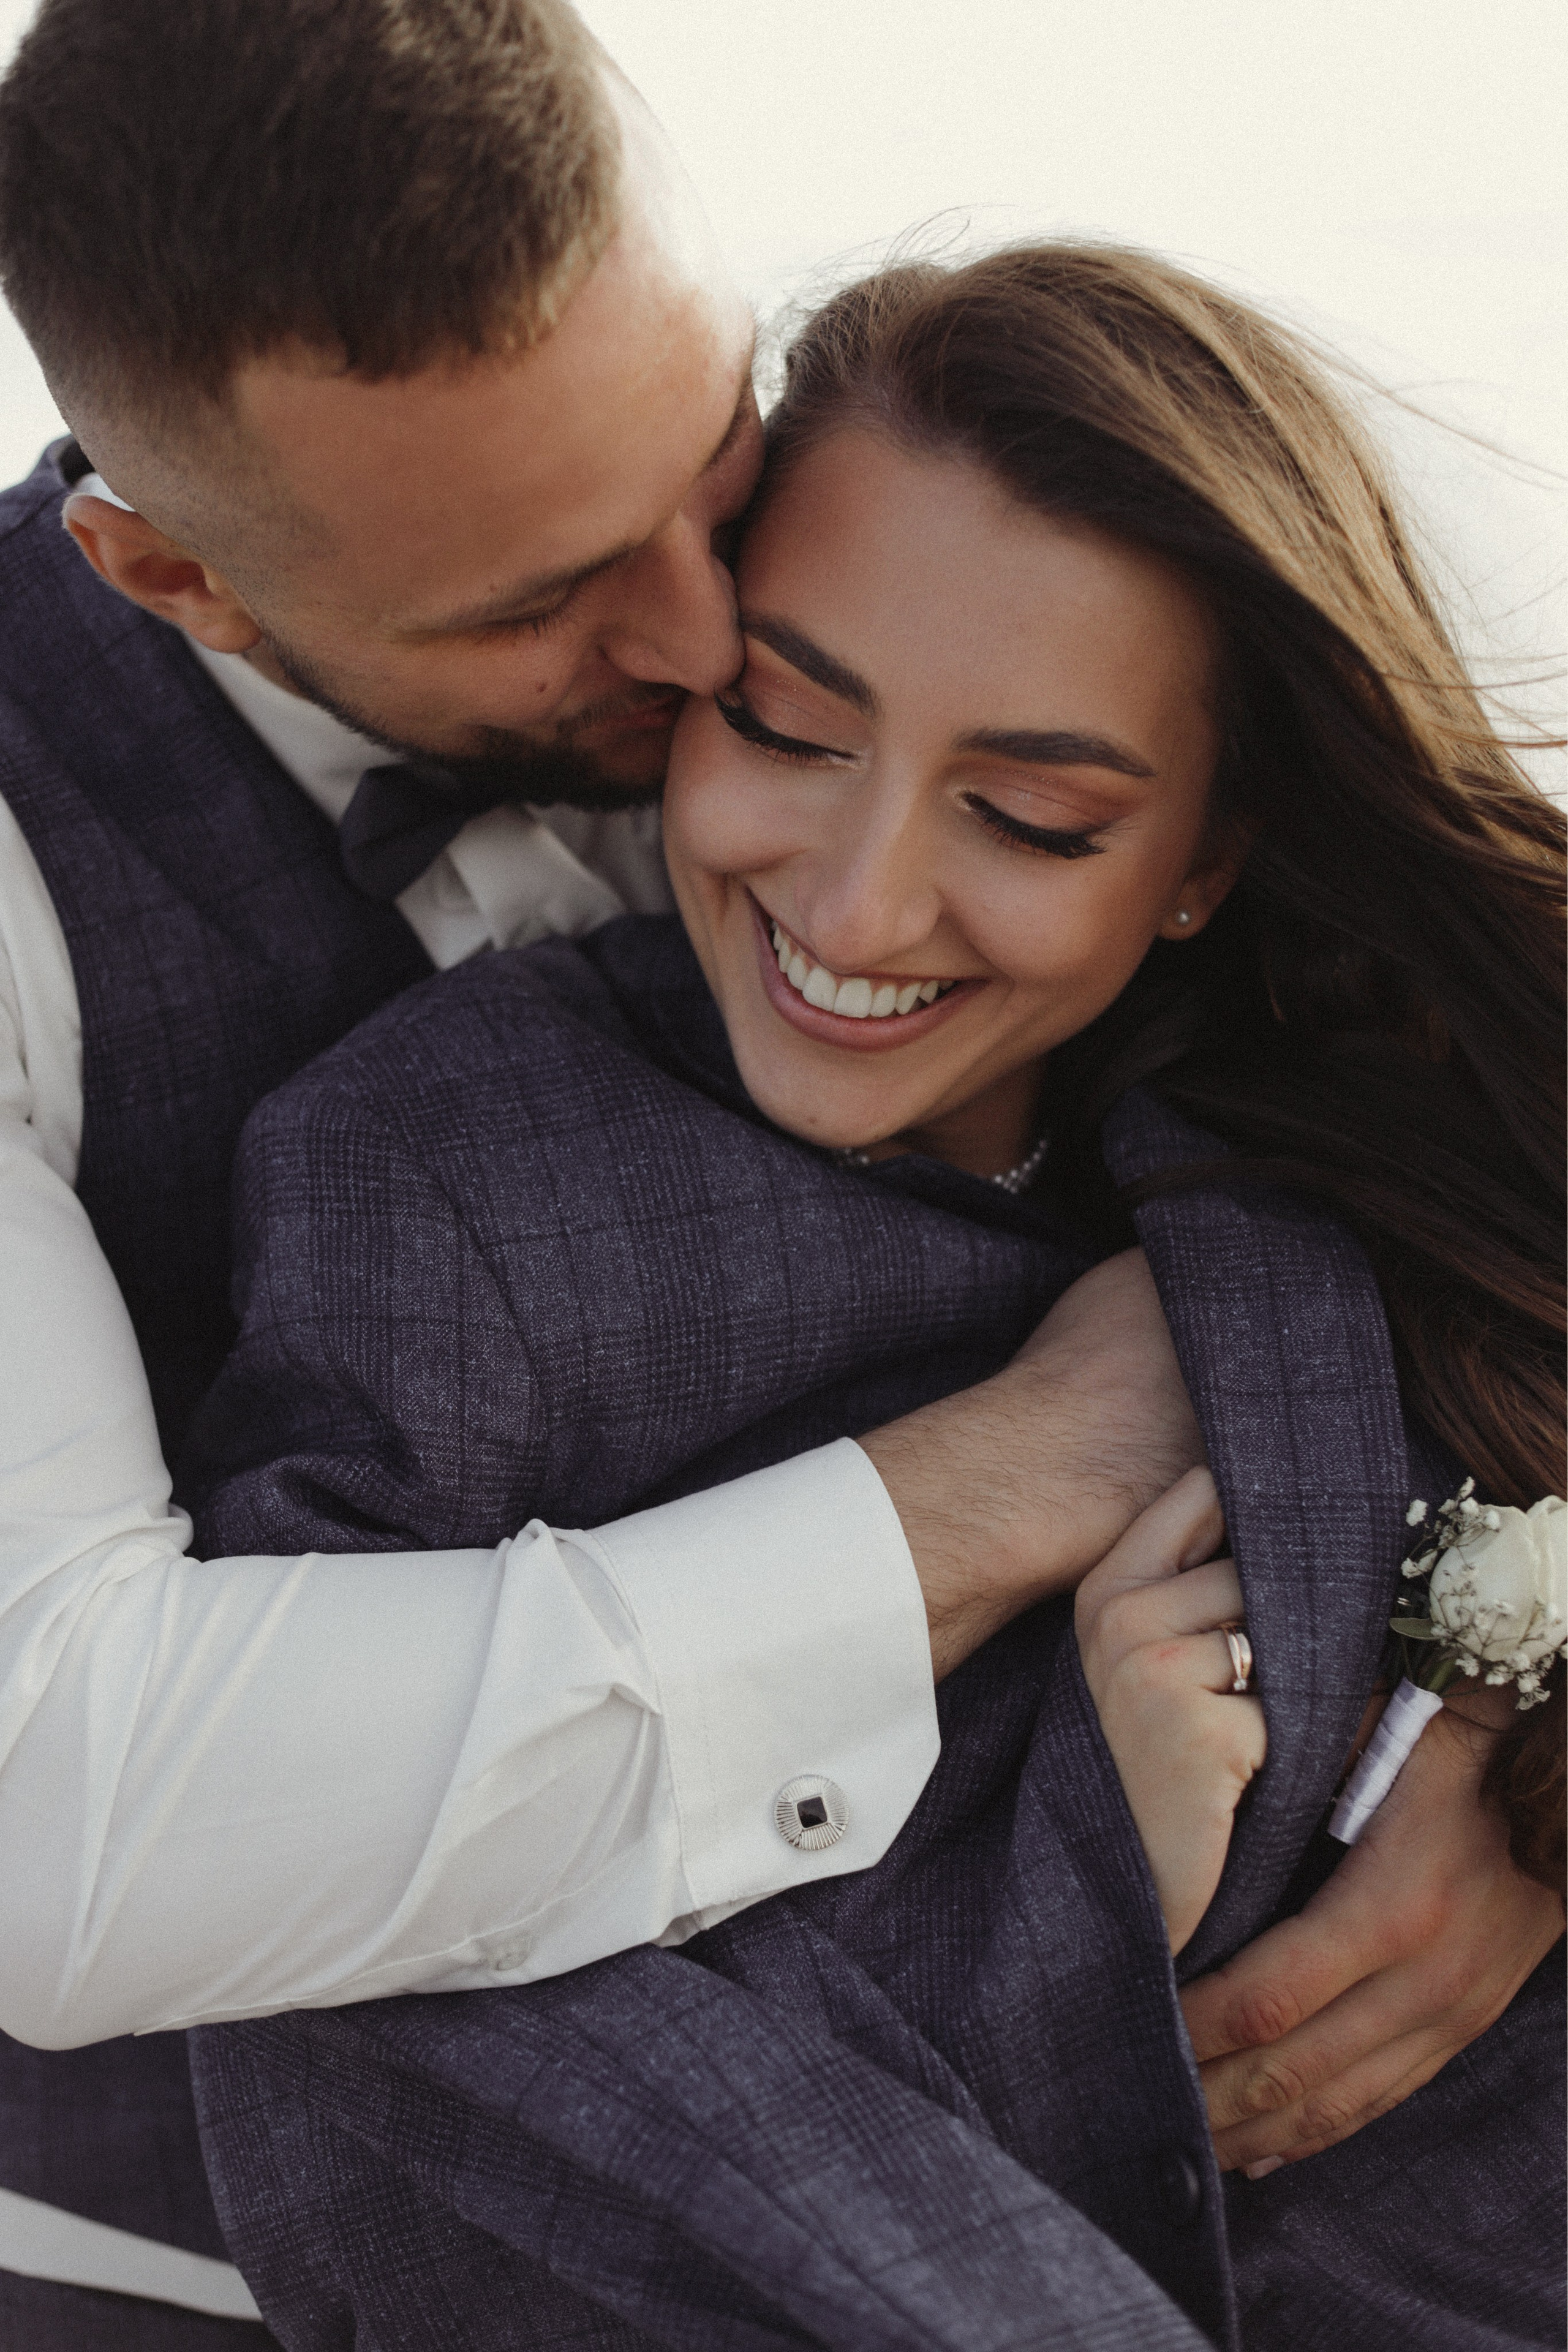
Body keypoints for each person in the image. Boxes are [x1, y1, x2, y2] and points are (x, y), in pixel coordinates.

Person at [0, 0, 1550, 2338]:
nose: (702, 631)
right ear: (176, 582)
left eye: (710, 458)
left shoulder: (909, 532)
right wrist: (1031, 1466)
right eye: (540, 605)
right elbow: (66, 1823)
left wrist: (1513, 1740)